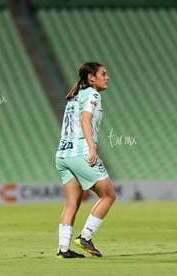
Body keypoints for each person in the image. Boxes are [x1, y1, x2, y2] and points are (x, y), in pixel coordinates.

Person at [55, 62, 116, 258]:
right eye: (103, 74)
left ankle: (63, 249)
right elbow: (85, 119)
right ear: (91, 77)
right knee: (108, 196)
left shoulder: (73, 97)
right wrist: (91, 147)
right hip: (81, 152)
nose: (107, 77)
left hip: (63, 154)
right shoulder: (92, 94)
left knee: (72, 202)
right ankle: (85, 237)